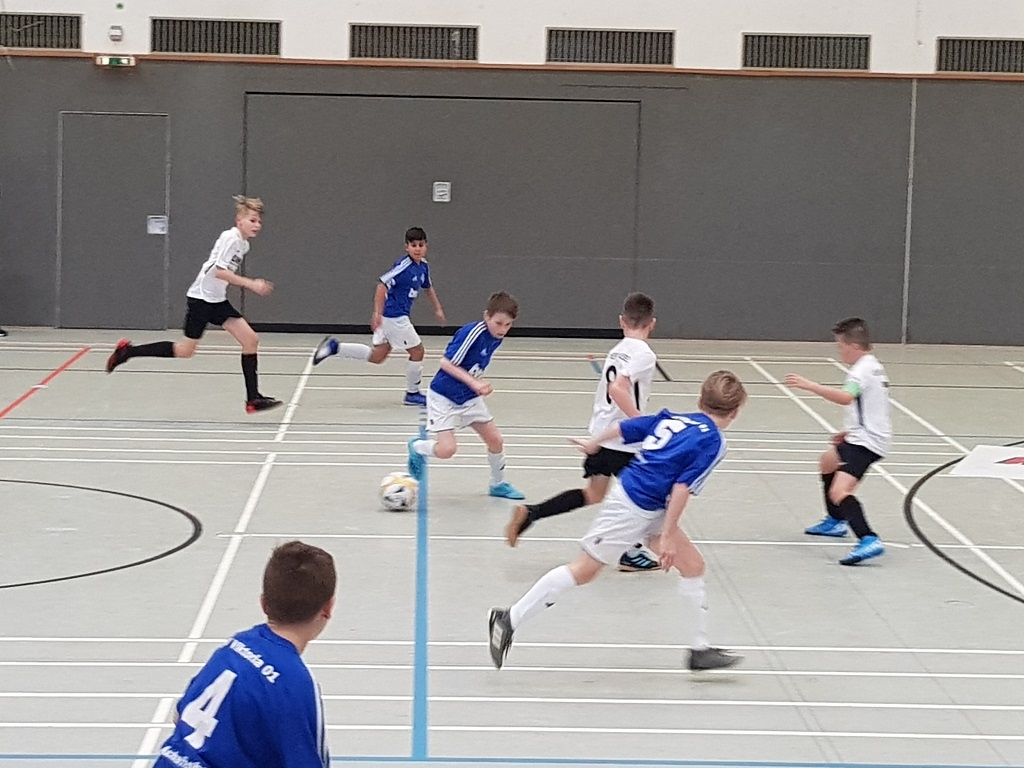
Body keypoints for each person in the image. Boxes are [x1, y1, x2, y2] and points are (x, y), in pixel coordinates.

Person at [488, 371, 747, 672]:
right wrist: (667, 536)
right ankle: (509, 618)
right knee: (584, 570)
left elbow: (624, 428)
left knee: (693, 566)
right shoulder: (713, 442)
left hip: (651, 505)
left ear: (700, 400)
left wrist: (594, 443)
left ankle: (699, 650)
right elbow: (681, 488)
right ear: (736, 412)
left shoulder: (673, 418)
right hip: (630, 508)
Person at [505, 292, 660, 572]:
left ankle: (532, 513)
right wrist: (640, 422)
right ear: (652, 323)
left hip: (600, 434)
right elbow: (617, 389)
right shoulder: (644, 353)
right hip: (622, 441)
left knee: (594, 494)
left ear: (621, 321)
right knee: (643, 497)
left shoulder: (618, 350)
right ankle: (629, 551)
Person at [154, 540, 335, 768]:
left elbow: (180, 716)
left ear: (263, 603)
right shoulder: (295, 683)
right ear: (328, 608)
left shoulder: (235, 646)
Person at [105, 195, 281, 413]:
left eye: (259, 221)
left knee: (250, 340)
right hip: (201, 300)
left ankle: (253, 399)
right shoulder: (231, 238)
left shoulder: (243, 245)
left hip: (216, 300)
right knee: (185, 350)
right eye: (252, 220)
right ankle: (128, 352)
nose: (257, 225)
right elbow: (219, 271)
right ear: (239, 220)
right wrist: (251, 284)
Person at [784, 317, 890, 566]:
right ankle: (835, 521)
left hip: (866, 442)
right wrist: (848, 431)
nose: (839, 351)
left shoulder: (860, 370)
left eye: (841, 346)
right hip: (863, 434)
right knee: (828, 462)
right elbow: (871, 406)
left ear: (854, 346)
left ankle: (868, 538)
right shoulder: (873, 365)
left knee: (840, 491)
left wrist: (811, 386)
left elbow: (846, 397)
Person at [406, 291, 525, 500]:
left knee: (496, 440)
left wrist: (475, 384)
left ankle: (498, 484)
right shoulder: (472, 333)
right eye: (498, 323)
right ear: (487, 316)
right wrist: (474, 382)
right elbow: (446, 363)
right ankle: (417, 447)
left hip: (469, 397)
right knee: (447, 450)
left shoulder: (495, 338)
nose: (502, 329)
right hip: (444, 397)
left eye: (508, 325)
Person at [311, 226, 446, 406]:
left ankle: (336, 347)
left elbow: (428, 288)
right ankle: (412, 393)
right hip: (395, 317)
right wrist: (377, 313)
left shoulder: (423, 267)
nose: (417, 249)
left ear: (426, 246)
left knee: (378, 356)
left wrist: (437, 308)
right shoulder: (403, 266)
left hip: (394, 318)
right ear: (406, 247)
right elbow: (382, 284)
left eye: (421, 245)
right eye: (413, 245)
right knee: (417, 351)